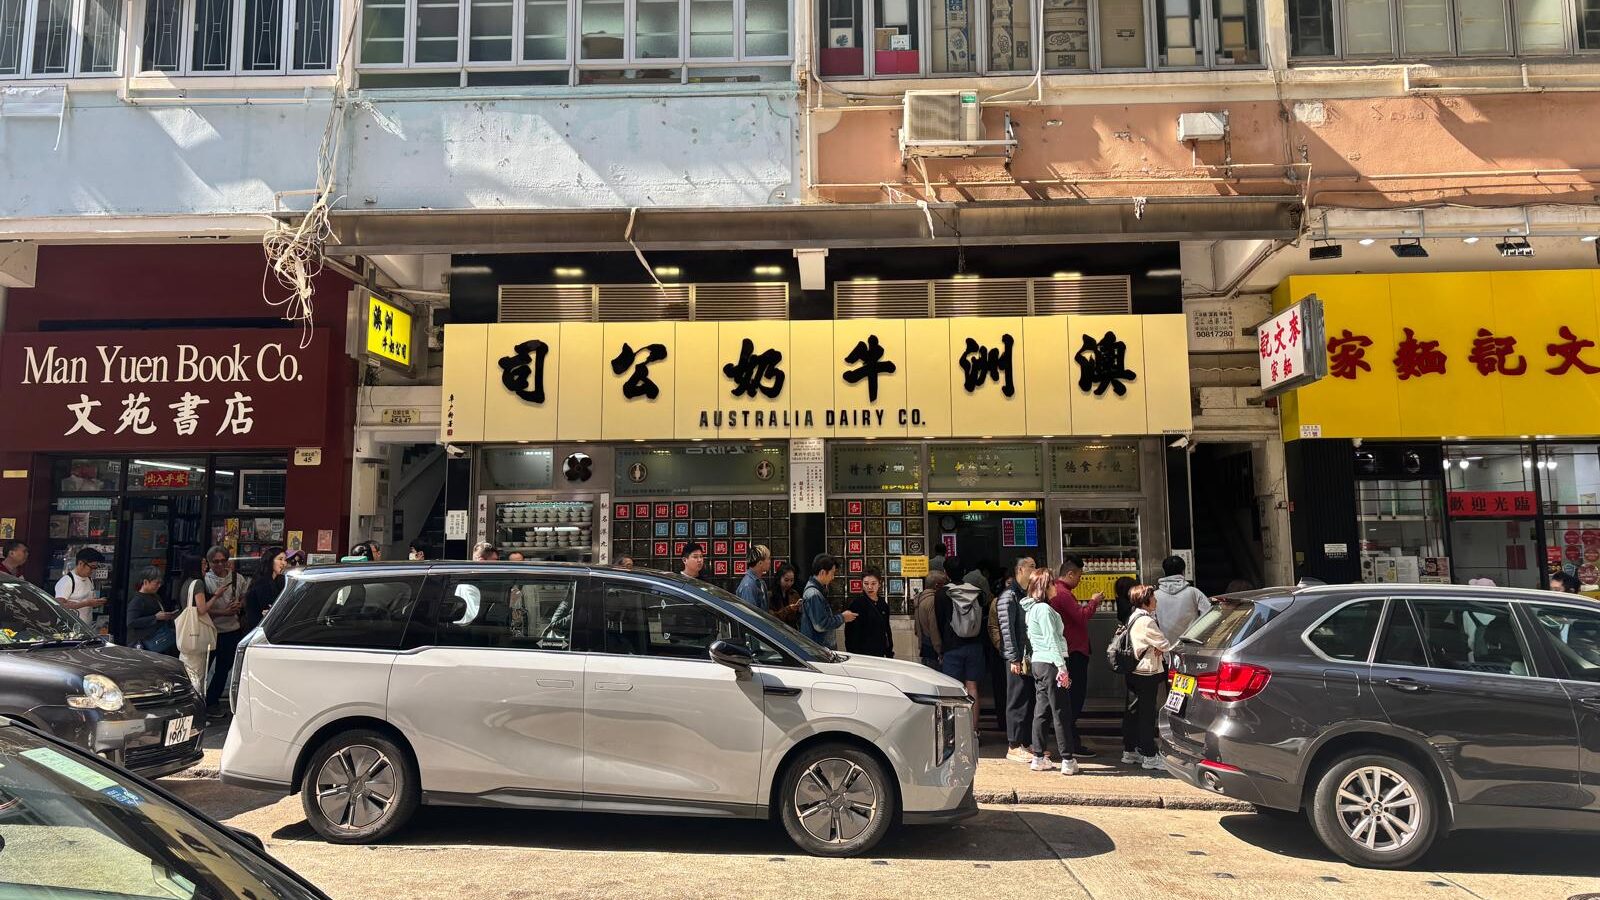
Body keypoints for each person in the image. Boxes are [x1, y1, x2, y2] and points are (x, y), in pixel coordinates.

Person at [1022, 567, 1077, 775]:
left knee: (1042, 710)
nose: (1055, 587)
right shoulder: (1044, 610)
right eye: (1052, 583)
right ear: (1045, 587)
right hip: (1052, 663)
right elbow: (1052, 639)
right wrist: (1062, 667)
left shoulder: (1032, 609)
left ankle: (1038, 756)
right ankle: (1067, 759)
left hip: (1038, 663)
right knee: (1061, 710)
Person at [1052, 555, 1104, 759]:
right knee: (1074, 698)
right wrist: (1093, 602)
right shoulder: (1063, 594)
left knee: (1069, 699)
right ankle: (1070, 742)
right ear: (1070, 573)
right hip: (1074, 652)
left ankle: (1071, 740)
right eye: (1079, 576)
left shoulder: (1059, 592)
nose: (1080, 580)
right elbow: (1081, 617)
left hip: (1071, 650)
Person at [1123, 584, 1174, 769]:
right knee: (1147, 715)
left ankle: (1130, 751)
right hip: (1146, 671)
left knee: (1133, 712)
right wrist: (1159, 646)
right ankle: (1149, 755)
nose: (1156, 600)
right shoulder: (1146, 621)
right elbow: (1165, 643)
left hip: (1133, 669)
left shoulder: (1133, 617)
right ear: (1146, 600)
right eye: (1153, 597)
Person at [995, 556, 1037, 763]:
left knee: (1028, 698)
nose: (1034, 570)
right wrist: (1013, 658)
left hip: (1026, 655)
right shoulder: (1009, 596)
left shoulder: (1024, 594)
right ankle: (1013, 745)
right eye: (1031, 566)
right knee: (1017, 699)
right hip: (1016, 657)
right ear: (1020, 569)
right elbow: (1007, 630)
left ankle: (1025, 743)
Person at [935, 562, 986, 720]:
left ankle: (956, 732)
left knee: (953, 689)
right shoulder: (977, 592)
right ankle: (974, 730)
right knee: (973, 687)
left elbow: (939, 621)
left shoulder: (942, 593)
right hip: (975, 645)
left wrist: (940, 648)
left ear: (945, 573)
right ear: (964, 571)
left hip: (952, 646)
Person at [201, 546, 245, 713]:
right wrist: (223, 612)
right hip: (211, 630)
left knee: (223, 669)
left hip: (231, 630)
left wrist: (240, 604)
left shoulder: (237, 578)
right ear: (210, 562)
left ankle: (212, 700)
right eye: (215, 561)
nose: (219, 565)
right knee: (204, 668)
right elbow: (202, 609)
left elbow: (244, 597)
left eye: (223, 561)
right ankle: (200, 699)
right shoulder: (205, 580)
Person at [800, 554, 856, 649]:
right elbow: (821, 625)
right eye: (832, 573)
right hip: (818, 649)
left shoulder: (817, 591)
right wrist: (842, 617)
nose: (833, 577)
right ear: (822, 572)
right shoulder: (814, 594)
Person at [175, 555, 214, 692]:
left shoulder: (185, 583)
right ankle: (195, 703)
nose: (206, 567)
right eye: (203, 563)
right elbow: (202, 609)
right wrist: (216, 596)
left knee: (188, 671)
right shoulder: (198, 583)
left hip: (185, 638)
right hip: (195, 635)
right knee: (197, 675)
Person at [1154, 555, 1211, 643]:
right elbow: (1209, 615)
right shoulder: (1193, 592)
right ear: (1183, 571)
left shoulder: (1154, 596)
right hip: (1190, 645)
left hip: (1165, 647)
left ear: (1164, 571)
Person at [126, 566, 177, 655]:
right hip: (143, 643)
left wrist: (165, 616)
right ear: (145, 582)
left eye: (160, 583)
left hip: (157, 640)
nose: (159, 586)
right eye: (156, 583)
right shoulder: (137, 600)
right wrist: (155, 617)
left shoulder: (155, 596)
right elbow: (131, 622)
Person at [845, 568, 894, 657]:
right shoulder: (856, 604)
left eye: (873, 583)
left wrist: (889, 651)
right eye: (866, 583)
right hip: (862, 655)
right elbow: (849, 633)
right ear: (862, 584)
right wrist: (853, 654)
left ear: (879, 583)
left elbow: (887, 630)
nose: (870, 587)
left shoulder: (883, 605)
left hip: (880, 654)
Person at [55, 548, 107, 625]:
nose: (93, 570)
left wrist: (96, 602)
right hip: (69, 628)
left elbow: (88, 600)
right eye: (91, 567)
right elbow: (59, 605)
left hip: (85, 626)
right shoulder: (67, 581)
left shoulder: (89, 579)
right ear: (81, 564)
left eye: (95, 568)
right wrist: (86, 603)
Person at [243, 546, 287, 634]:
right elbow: (268, 609)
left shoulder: (279, 580)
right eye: (280, 559)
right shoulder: (262, 582)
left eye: (285, 559)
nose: (284, 563)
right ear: (270, 561)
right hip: (257, 631)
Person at [913, 570, 951, 668]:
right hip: (934, 648)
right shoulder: (933, 600)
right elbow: (934, 627)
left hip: (925, 646)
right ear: (937, 585)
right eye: (945, 584)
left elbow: (917, 629)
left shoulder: (919, 598)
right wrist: (939, 651)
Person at [736, 545, 772, 610]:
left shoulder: (760, 582)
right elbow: (749, 615)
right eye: (768, 558)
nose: (770, 561)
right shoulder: (748, 586)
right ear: (760, 563)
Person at [770, 561, 803, 627]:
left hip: (792, 631)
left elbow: (798, 618)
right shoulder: (771, 595)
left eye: (792, 580)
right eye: (786, 580)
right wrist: (788, 609)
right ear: (779, 579)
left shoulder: (794, 593)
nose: (789, 583)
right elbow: (771, 617)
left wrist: (800, 609)